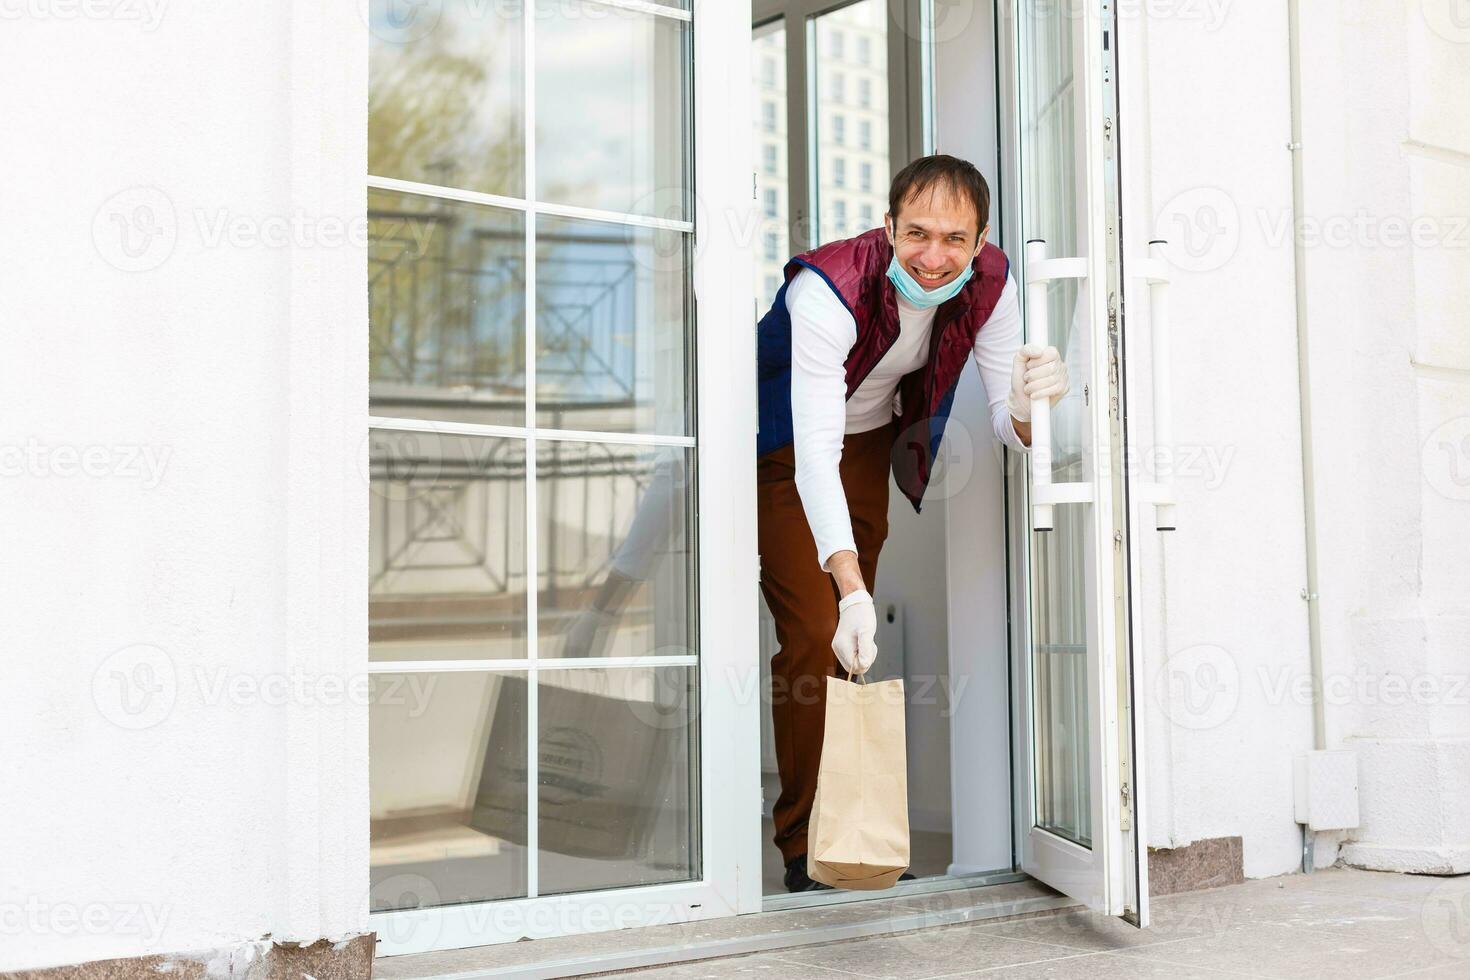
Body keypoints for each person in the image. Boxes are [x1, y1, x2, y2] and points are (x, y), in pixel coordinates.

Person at [756, 154, 1070, 891]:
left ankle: (844, 833)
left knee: (843, 646)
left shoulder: (992, 283)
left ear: (981, 238)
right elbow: (813, 457)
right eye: (918, 234)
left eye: (955, 240)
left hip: (864, 445)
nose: (934, 258)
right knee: (812, 633)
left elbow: (1006, 422)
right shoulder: (825, 292)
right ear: (888, 225)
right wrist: (853, 587)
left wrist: (1038, 405)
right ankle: (802, 846)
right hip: (783, 443)